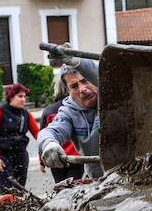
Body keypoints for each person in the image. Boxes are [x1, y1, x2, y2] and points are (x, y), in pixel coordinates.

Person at [37, 43, 103, 180]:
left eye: (85, 81)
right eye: (74, 86)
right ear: (68, 91)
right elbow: (50, 131)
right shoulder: (68, 112)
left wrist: (79, 61)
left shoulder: (114, 97)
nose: (82, 89)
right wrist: (49, 143)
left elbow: (106, 76)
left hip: (129, 175)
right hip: (98, 181)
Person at [0, 82, 40, 194]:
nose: (23, 99)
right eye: (20, 96)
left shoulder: (26, 113)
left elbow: (38, 134)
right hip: (1, 156)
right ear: (10, 97)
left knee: (20, 191)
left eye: (24, 97)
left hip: (20, 155)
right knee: (8, 192)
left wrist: (46, 148)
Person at [38, 77, 85, 184]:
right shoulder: (78, 108)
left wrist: (42, 161)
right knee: (76, 186)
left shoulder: (49, 110)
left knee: (61, 187)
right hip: (76, 156)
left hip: (55, 156)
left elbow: (43, 134)